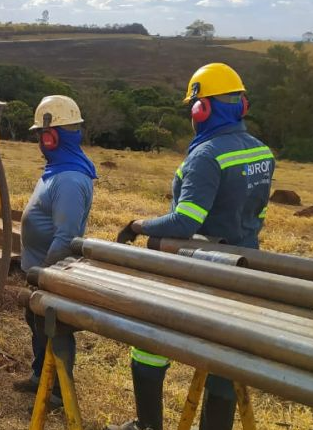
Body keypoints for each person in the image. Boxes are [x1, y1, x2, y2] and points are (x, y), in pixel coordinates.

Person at [109, 63, 274, 430]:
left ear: (202, 109)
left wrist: (138, 225)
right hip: (247, 267)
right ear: (241, 106)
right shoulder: (263, 152)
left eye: (194, 107)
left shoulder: (206, 156)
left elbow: (185, 222)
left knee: (147, 339)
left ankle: (148, 426)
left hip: (202, 269)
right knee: (224, 356)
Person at [15, 95, 97, 405]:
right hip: (39, 269)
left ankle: (59, 391)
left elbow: (66, 238)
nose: (39, 140)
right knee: (37, 325)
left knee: (54, 329)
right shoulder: (58, 169)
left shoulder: (70, 180)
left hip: (52, 272)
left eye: (41, 135)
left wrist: (42, 275)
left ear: (52, 137)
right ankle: (40, 377)